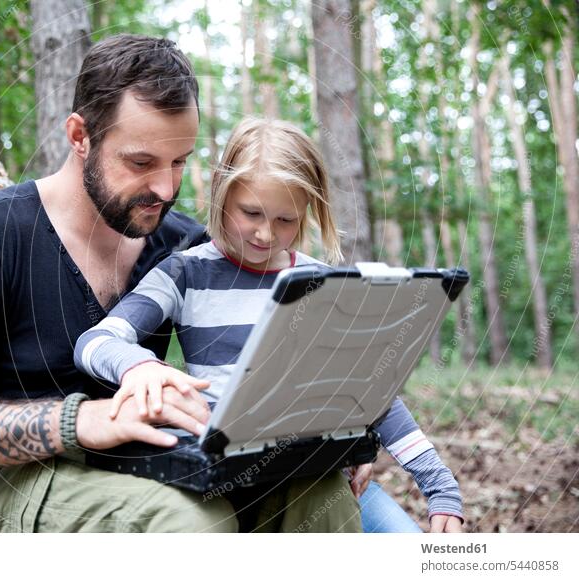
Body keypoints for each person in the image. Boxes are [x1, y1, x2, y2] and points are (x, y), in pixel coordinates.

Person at [0, 34, 361, 533]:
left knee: (317, 488)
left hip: (143, 468)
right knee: (189, 523)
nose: (167, 189)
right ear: (80, 136)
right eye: (141, 163)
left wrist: (330, 433)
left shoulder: (183, 246)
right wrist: (83, 421)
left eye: (179, 162)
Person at [73, 117, 464, 533]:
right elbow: (96, 340)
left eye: (286, 220)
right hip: (221, 478)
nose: (266, 234)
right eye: (252, 212)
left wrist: (440, 486)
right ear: (223, 194)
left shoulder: (325, 283)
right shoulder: (185, 273)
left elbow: (373, 390)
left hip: (312, 471)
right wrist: (139, 366)